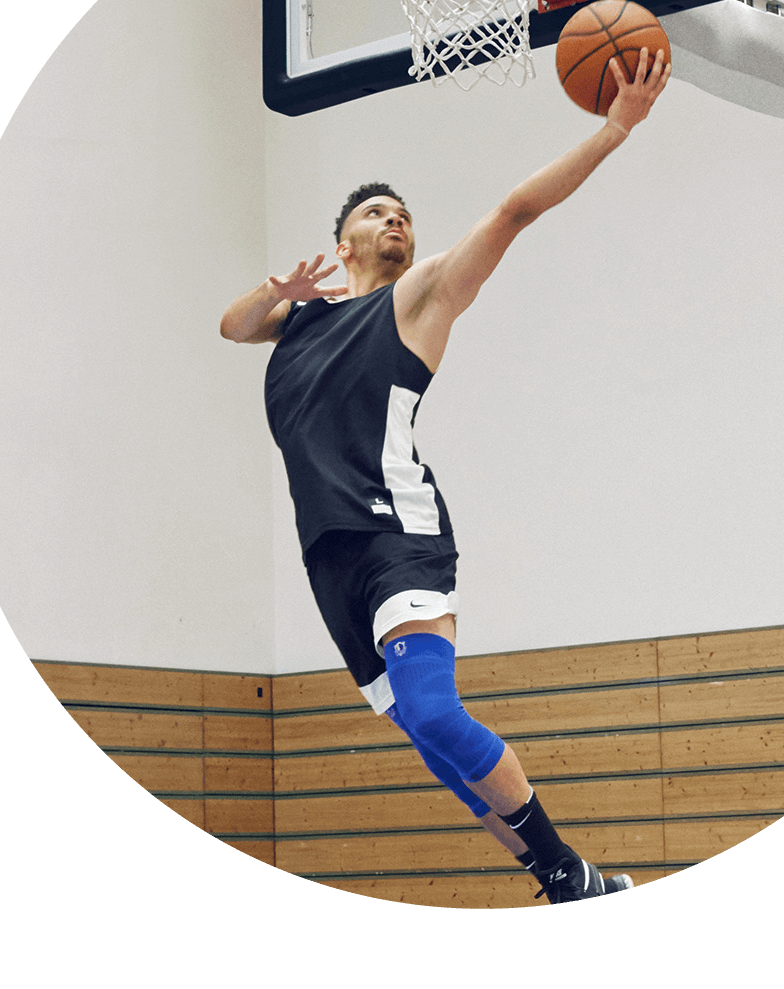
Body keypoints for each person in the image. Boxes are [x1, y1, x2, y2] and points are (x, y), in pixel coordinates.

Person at [221, 49, 672, 902]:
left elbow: (511, 210)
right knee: (432, 749)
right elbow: (231, 325)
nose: (398, 220)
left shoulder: (419, 297)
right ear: (342, 241)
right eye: (378, 212)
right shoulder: (297, 320)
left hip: (400, 535)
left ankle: (566, 867)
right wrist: (272, 287)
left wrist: (614, 128)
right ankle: (565, 874)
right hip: (329, 559)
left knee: (435, 714)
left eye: (405, 214)